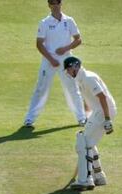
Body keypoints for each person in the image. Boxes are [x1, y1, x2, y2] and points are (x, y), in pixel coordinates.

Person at [23, 0, 86, 128]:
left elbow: (78, 39)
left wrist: (65, 48)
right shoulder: (44, 23)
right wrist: (51, 59)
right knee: (40, 89)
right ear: (49, 5)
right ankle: (29, 119)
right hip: (49, 60)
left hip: (67, 60)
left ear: (61, 4)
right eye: (52, 3)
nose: (55, 5)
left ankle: (82, 118)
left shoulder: (69, 20)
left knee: (73, 89)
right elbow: (39, 44)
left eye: (57, 2)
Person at [63, 57, 115, 191]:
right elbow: (88, 100)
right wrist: (87, 116)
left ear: (75, 67)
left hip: (103, 112)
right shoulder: (80, 79)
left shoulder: (88, 78)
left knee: (83, 143)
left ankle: (86, 179)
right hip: (98, 112)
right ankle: (99, 176)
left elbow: (102, 97)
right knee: (88, 142)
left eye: (68, 70)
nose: (67, 73)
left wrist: (107, 118)